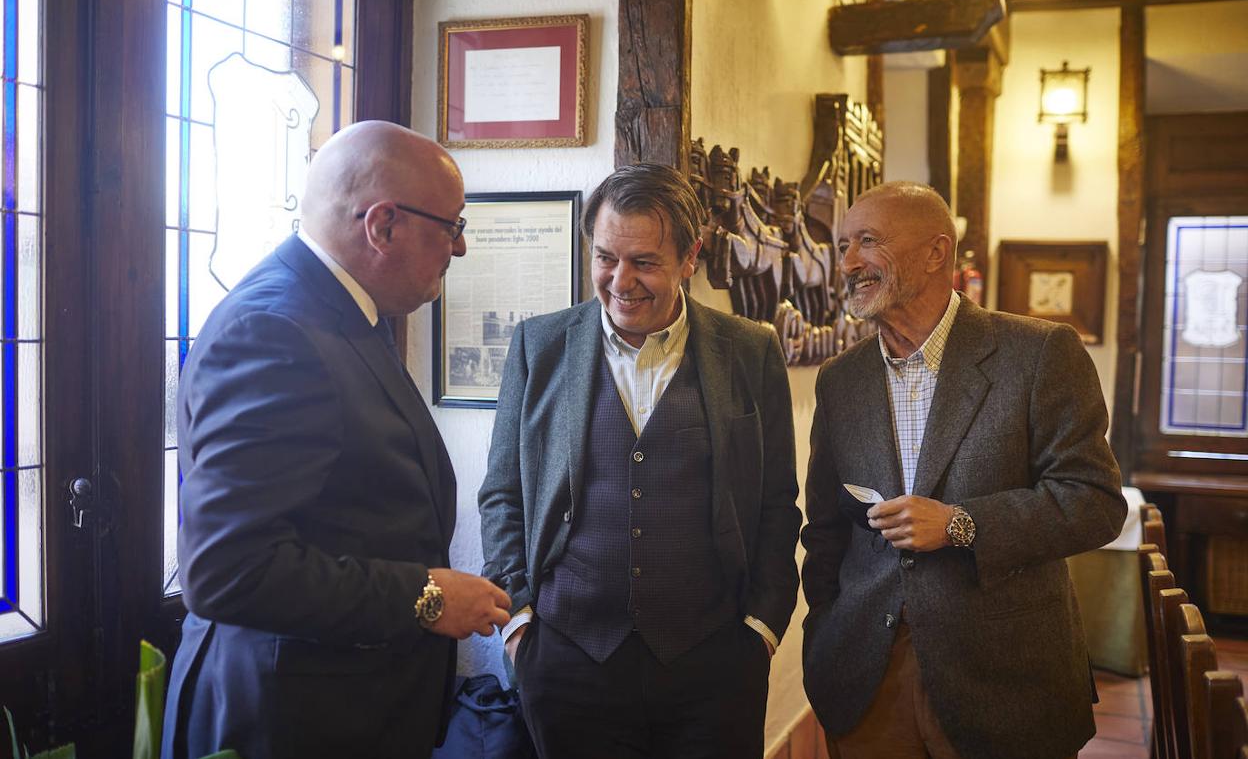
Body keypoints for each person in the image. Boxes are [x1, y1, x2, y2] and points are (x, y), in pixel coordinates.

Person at [161, 121, 512, 759]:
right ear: (382, 225)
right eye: (452, 227)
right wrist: (428, 597)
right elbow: (226, 570)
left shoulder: (339, 310)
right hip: (286, 721)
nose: (459, 250)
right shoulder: (277, 330)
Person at [479, 163, 801, 759]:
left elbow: (777, 501)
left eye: (644, 262)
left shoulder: (749, 351)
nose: (620, 280)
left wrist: (763, 628)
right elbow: (502, 493)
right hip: (567, 661)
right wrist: (519, 624)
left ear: (690, 258)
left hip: (714, 665)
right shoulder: (539, 346)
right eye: (605, 257)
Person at [801, 181, 1127, 759]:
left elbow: (1095, 501)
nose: (847, 262)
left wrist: (960, 524)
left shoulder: (1039, 353)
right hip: (866, 680)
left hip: (1006, 682)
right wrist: (823, 633)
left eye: (867, 242)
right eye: (843, 245)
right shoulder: (840, 379)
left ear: (936, 253)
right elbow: (826, 529)